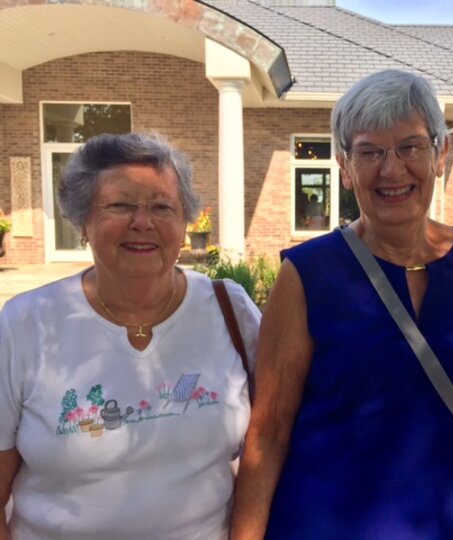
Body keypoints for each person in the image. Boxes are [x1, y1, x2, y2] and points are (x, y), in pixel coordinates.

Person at [232, 69, 453, 540]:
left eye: (411, 146)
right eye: (369, 151)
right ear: (345, 167)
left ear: (441, 153)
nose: (392, 169)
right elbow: (268, 433)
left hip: (445, 527)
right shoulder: (307, 273)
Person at [0, 132, 260, 539]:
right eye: (120, 206)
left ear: (184, 222)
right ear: (82, 221)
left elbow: (272, 442)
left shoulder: (231, 309)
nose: (143, 223)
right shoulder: (25, 324)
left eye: (162, 207)